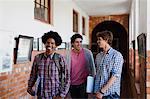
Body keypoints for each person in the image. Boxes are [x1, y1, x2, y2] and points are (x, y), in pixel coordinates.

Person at [27, 31, 70, 99]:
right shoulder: (38, 58)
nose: (49, 45)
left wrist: (62, 95)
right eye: (48, 42)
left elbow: (67, 77)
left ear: (56, 45)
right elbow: (33, 74)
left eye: (52, 43)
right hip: (41, 95)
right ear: (44, 43)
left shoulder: (59, 58)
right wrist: (29, 87)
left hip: (55, 95)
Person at [94, 30, 124, 99]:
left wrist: (102, 91)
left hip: (111, 94)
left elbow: (115, 76)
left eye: (99, 39)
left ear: (106, 40)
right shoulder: (98, 56)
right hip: (98, 93)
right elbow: (97, 73)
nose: (97, 42)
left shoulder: (116, 55)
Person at [68, 33, 96, 99]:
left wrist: (93, 85)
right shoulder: (69, 54)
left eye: (80, 42)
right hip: (71, 84)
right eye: (77, 42)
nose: (79, 44)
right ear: (72, 44)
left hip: (83, 83)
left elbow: (93, 68)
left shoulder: (87, 53)